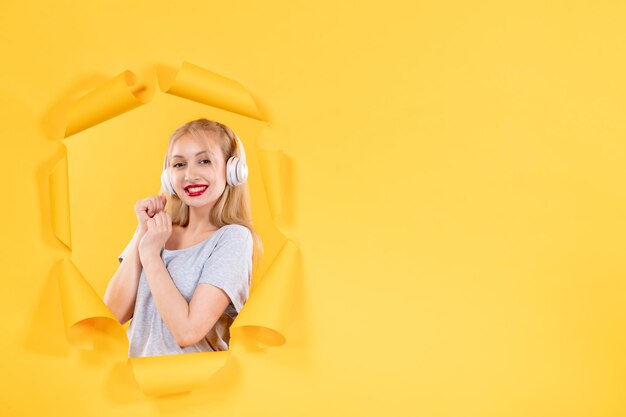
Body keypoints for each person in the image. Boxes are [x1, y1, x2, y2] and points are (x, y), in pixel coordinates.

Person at [103, 118, 263, 357]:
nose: (190, 175)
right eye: (179, 165)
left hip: (197, 389)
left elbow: (188, 332)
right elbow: (112, 314)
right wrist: (142, 232)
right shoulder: (156, 232)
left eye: (204, 161)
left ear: (232, 171)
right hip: (138, 386)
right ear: (167, 176)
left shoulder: (234, 239)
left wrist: (151, 256)